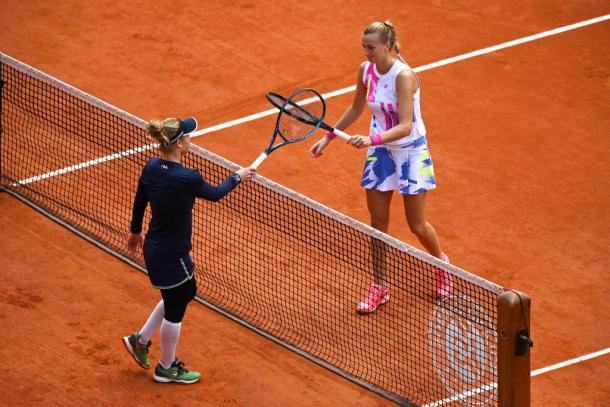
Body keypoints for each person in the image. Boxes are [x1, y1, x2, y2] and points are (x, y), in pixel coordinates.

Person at [309, 21, 453, 314]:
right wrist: (328, 137)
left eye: (371, 48)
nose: (366, 53)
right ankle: (380, 286)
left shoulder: (404, 77)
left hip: (410, 151)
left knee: (417, 225)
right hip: (381, 152)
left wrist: (371, 138)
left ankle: (442, 265)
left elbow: (405, 125)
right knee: (378, 225)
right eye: (363, 47)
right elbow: (356, 108)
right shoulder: (366, 70)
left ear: (386, 46)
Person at [122, 117, 255, 383]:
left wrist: (135, 231)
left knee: (177, 295)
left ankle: (141, 340)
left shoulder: (151, 167)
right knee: (181, 298)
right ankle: (166, 366)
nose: (191, 139)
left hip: (155, 247)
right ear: (180, 142)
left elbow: (140, 198)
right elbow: (216, 194)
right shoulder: (187, 178)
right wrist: (238, 177)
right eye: (188, 136)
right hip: (171, 254)